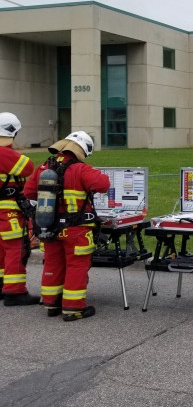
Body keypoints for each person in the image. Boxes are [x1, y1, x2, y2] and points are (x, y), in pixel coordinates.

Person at [24, 131, 110, 320]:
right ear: (83, 150)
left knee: (53, 263)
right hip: (76, 229)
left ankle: (51, 303)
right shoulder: (81, 169)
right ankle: (73, 308)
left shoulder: (44, 167)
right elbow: (103, 184)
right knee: (76, 266)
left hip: (49, 227)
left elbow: (28, 192)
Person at [0, 112, 39, 306]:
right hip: (7, 212)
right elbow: (28, 167)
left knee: (1, 250)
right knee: (16, 249)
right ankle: (14, 292)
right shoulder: (4, 153)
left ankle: (2, 285)